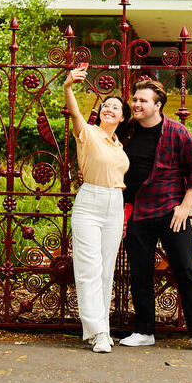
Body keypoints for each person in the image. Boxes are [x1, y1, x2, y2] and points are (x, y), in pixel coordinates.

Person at [120, 78, 192, 353]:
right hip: (137, 212)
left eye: (143, 101)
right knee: (140, 273)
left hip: (170, 212)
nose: (136, 104)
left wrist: (185, 207)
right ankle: (144, 331)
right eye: (135, 100)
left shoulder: (177, 132)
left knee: (186, 271)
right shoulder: (126, 131)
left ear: (158, 105)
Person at [64, 64, 130, 353]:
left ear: (122, 117)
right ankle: (99, 331)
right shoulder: (88, 134)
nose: (110, 108)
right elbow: (76, 114)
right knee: (88, 269)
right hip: (89, 202)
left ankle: (99, 328)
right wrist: (68, 86)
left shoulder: (119, 146)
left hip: (114, 205)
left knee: (105, 271)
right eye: (106, 105)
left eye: (116, 107)